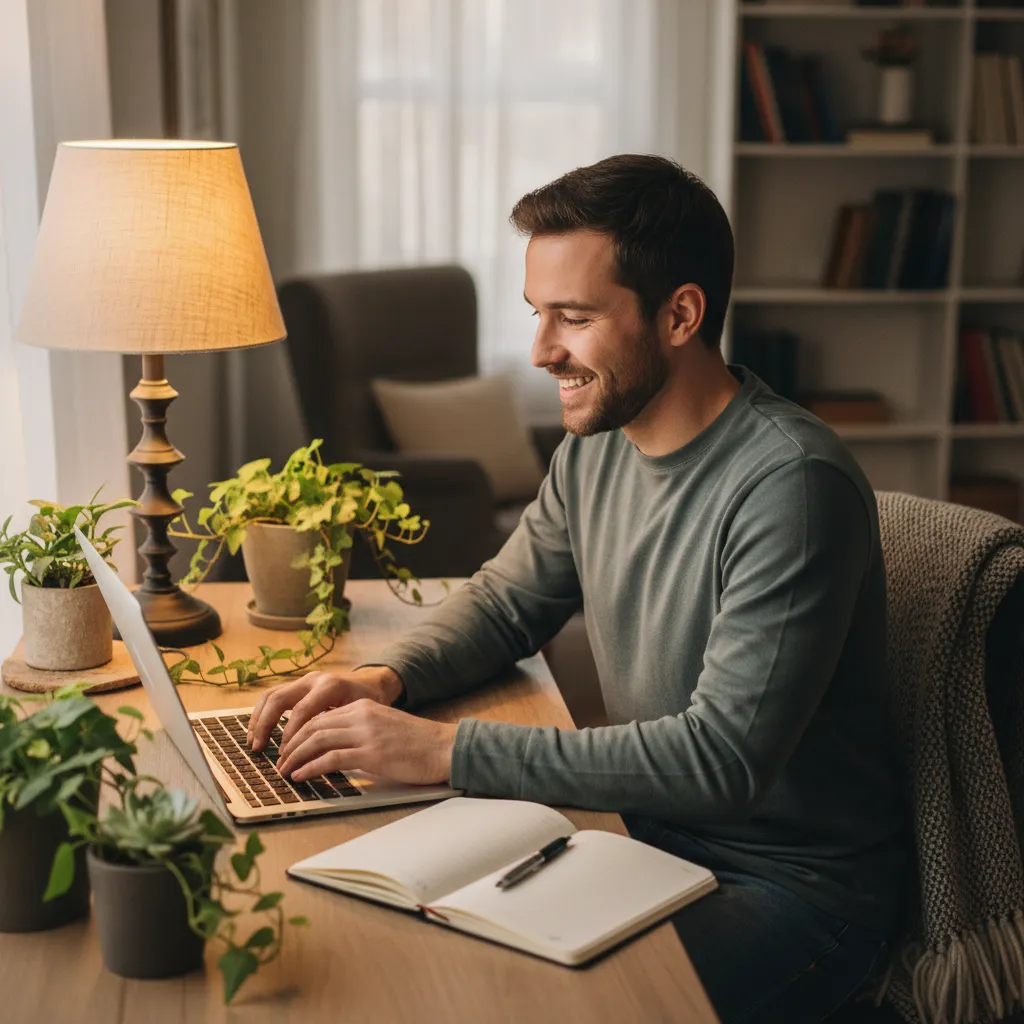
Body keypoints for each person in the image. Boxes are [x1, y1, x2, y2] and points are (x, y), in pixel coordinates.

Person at [247, 154, 909, 1023]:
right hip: (643, 830)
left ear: (681, 313)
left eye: (574, 317)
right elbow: (506, 599)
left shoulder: (790, 485)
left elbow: (722, 762)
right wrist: (385, 679)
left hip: (792, 886)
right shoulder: (598, 447)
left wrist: (441, 751)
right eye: (536, 313)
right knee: (387, 944)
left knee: (516, 1006)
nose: (540, 350)